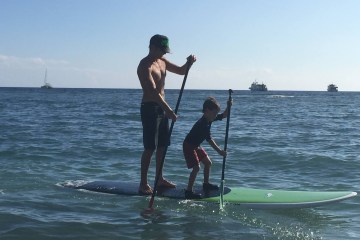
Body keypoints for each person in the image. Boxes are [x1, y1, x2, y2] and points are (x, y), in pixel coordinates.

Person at [137, 34, 196, 195]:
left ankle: (159, 178)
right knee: (150, 147)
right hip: (150, 108)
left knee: (163, 145)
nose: (164, 54)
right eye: (162, 50)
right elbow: (153, 92)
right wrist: (169, 110)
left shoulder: (162, 62)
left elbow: (181, 71)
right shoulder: (144, 66)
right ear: (153, 47)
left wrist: (189, 63)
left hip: (162, 108)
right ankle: (143, 183)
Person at [183, 97, 231, 199]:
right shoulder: (203, 124)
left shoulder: (210, 118)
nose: (215, 116)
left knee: (208, 163)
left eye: (216, 113)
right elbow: (209, 140)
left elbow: (224, 115)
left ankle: (206, 184)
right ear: (207, 111)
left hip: (196, 146)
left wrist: (229, 105)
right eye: (214, 113)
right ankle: (188, 191)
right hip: (189, 146)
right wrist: (220, 152)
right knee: (196, 168)